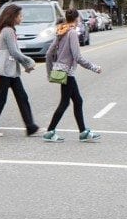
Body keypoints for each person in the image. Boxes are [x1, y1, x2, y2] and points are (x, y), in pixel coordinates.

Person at [43, 9, 102, 143]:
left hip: (61, 71)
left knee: (77, 101)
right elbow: (77, 57)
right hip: (68, 73)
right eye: (79, 19)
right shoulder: (72, 33)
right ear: (77, 19)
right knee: (64, 103)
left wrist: (50, 72)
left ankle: (83, 132)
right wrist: (94, 67)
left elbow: (48, 54)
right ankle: (50, 131)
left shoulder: (61, 31)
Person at [0, 3, 39, 137]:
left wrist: (25, 65)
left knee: (22, 97)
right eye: (20, 15)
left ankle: (31, 127)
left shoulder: (9, 30)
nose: (22, 17)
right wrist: (29, 61)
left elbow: (15, 52)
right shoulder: (8, 30)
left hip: (10, 69)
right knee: (1, 99)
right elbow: (14, 52)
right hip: (6, 69)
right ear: (13, 17)